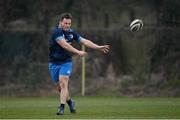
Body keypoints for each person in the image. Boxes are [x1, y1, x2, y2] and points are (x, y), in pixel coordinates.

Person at [48, 12, 110, 115]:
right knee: (60, 88)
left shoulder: (72, 32)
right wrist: (78, 52)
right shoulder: (57, 32)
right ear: (60, 22)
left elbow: (84, 41)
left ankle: (61, 108)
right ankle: (70, 102)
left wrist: (98, 47)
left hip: (66, 62)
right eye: (65, 23)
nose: (67, 25)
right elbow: (64, 45)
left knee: (63, 82)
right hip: (54, 63)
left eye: (69, 23)